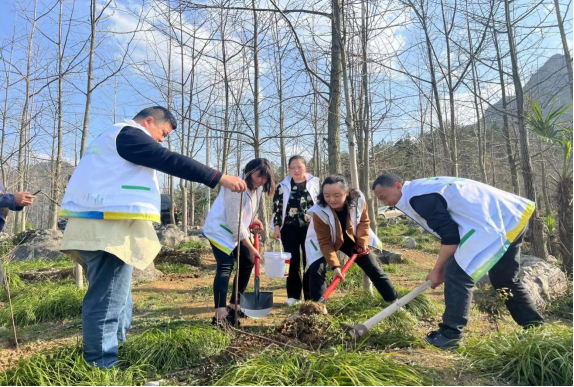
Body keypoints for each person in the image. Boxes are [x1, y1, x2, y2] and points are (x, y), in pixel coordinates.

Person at [59, 106, 246, 369]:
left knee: (119, 299)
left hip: (105, 227)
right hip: (107, 232)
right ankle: (101, 366)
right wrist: (218, 177)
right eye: (162, 132)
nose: (161, 139)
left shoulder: (114, 140)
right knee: (108, 302)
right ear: (148, 121)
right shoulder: (129, 135)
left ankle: (115, 354)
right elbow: (168, 159)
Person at [372, 174, 544, 349]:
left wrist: (438, 270)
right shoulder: (420, 188)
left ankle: (450, 334)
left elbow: (451, 238)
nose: (385, 203)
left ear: (398, 186)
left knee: (456, 272)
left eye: (384, 197)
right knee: (505, 280)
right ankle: (535, 328)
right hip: (513, 215)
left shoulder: (420, 198)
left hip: (494, 223)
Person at [203, 158, 276, 328]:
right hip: (220, 230)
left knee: (247, 262)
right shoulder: (236, 187)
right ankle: (220, 315)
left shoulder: (256, 190)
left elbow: (244, 212)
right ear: (249, 171)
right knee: (226, 265)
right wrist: (250, 247)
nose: (261, 181)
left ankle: (234, 305)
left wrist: (254, 219)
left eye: (265, 178)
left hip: (236, 231)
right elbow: (233, 220)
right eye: (258, 176)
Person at [305, 175, 399, 304]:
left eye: (337, 195)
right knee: (316, 270)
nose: (331, 199)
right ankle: (318, 309)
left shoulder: (358, 200)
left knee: (372, 266)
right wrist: (335, 266)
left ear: (346, 193)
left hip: (351, 237)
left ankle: (394, 302)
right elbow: (324, 242)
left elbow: (364, 222)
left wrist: (362, 243)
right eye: (327, 195)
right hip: (325, 240)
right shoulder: (319, 211)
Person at [272, 156, 320, 306]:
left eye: (299, 167)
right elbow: (277, 209)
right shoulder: (282, 186)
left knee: (309, 261)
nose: (296, 170)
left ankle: (310, 296)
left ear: (305, 167)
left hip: (310, 229)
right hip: (289, 229)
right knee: (292, 262)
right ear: (289, 169)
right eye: (293, 167)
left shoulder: (315, 183)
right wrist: (276, 228)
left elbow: (321, 205)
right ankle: (293, 296)